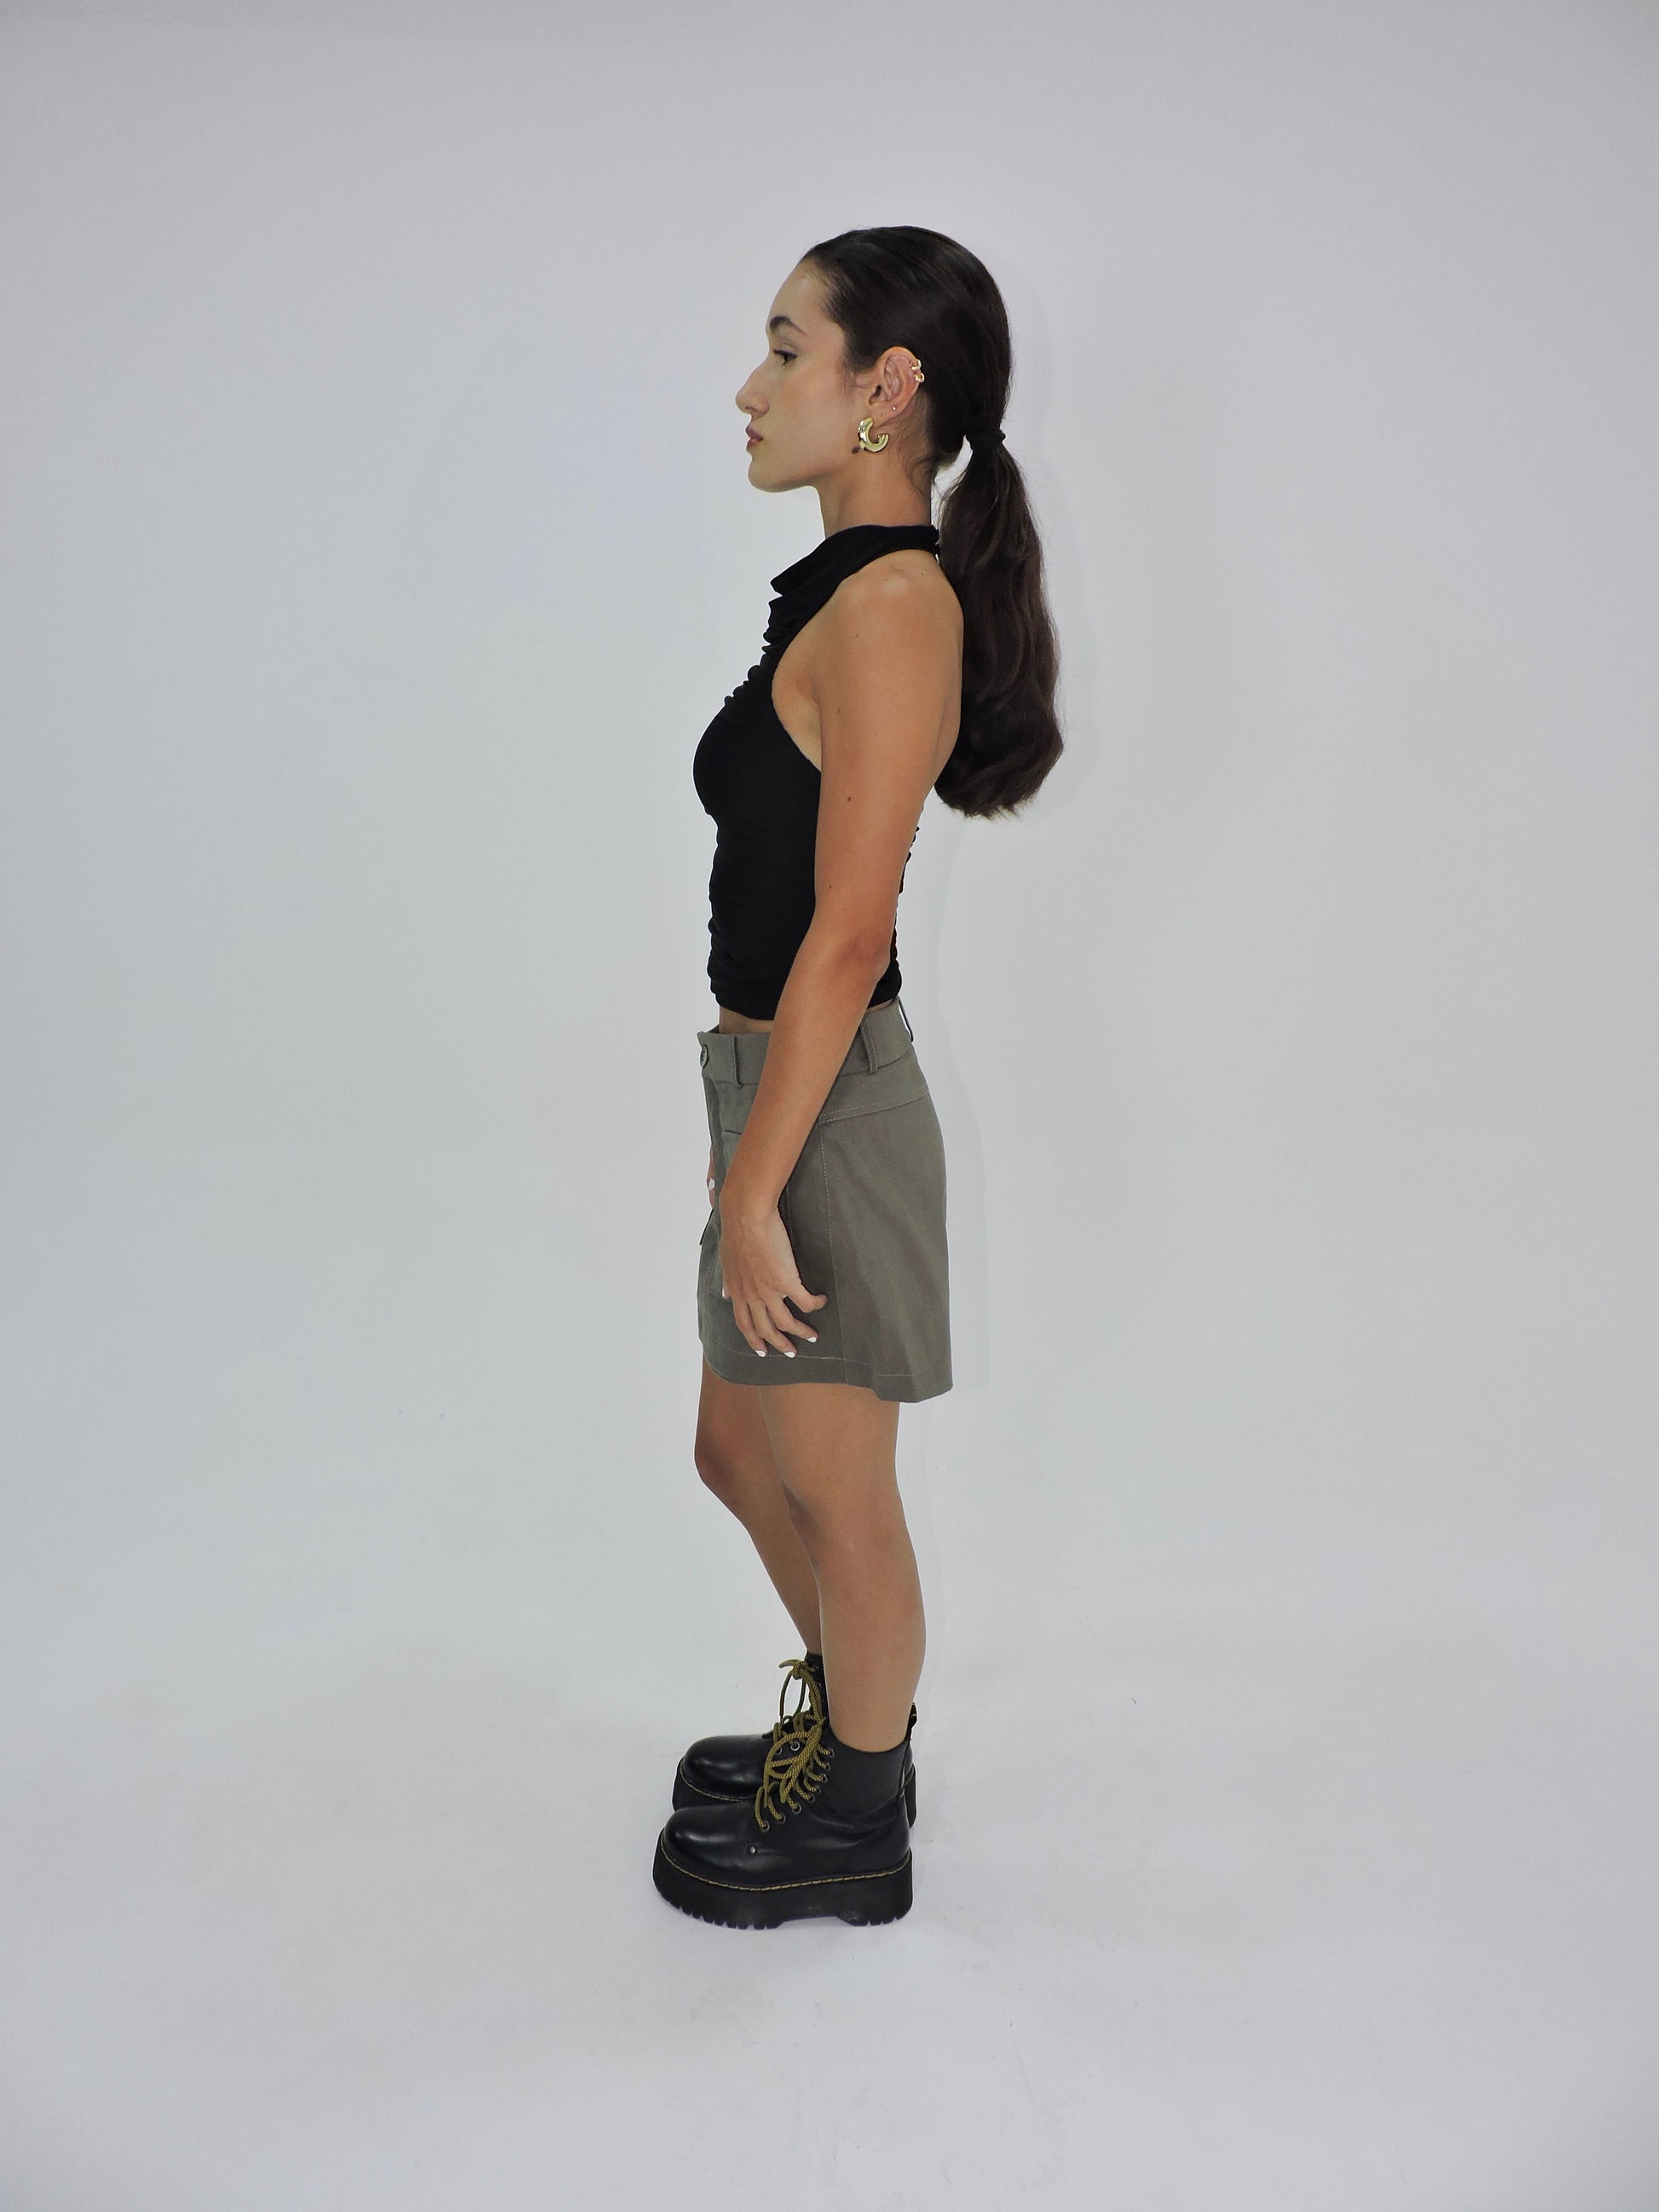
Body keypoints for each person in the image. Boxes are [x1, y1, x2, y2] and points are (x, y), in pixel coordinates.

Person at [651, 226, 1063, 1930]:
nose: (748, 390)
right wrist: (741, 1143)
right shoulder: (842, 594)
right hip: (774, 1087)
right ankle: (848, 1725)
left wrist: (760, 1177)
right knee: (738, 1454)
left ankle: (858, 1816)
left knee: (833, 1486)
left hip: (826, 1100)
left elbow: (845, 936)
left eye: (782, 349)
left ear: (885, 387)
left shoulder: (895, 606)